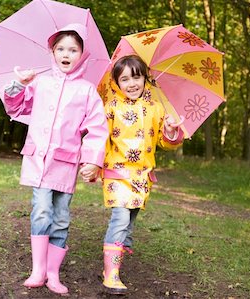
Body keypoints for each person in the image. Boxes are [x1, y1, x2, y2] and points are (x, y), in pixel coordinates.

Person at [3, 23, 108, 295]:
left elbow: (97, 129)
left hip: (66, 162)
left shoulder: (87, 91)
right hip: (39, 159)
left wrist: (93, 160)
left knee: (61, 217)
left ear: (82, 55)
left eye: (73, 49)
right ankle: (38, 269)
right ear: (52, 51)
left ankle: (53, 273)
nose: (66, 54)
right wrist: (18, 84)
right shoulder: (40, 82)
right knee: (41, 210)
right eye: (61, 48)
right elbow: (15, 106)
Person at [94, 55, 184, 294]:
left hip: (142, 176)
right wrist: (93, 163)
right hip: (117, 173)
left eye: (137, 77)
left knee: (130, 219)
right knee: (121, 219)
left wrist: (171, 131)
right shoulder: (111, 108)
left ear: (146, 78)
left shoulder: (156, 109)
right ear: (116, 82)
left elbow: (166, 143)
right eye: (124, 79)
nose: (132, 83)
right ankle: (111, 274)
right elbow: (99, 137)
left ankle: (119, 249)